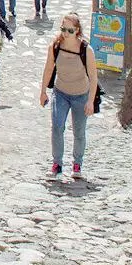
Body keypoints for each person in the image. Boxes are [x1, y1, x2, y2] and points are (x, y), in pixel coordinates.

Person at [40, 12, 98, 179]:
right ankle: (57, 164)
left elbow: (93, 77)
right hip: (61, 92)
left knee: (79, 131)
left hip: (81, 94)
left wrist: (90, 101)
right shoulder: (55, 46)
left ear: (77, 31)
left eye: (70, 30)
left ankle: (77, 163)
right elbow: (49, 68)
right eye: (63, 29)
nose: (66, 33)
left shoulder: (86, 50)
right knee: (57, 126)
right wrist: (43, 91)